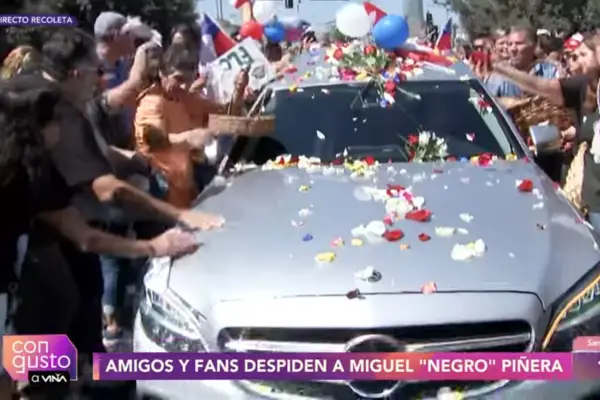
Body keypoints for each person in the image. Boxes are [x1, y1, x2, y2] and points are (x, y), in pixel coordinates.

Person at [27, 28, 222, 362]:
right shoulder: (51, 110)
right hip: (25, 248)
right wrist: (174, 220)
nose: (102, 79)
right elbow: (105, 194)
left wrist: (127, 159)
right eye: (97, 71)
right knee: (51, 312)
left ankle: (78, 375)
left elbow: (83, 222)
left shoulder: (55, 101)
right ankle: (48, 382)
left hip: (54, 227)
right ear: (76, 73)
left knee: (78, 298)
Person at [0, 74, 198, 399]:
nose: (61, 131)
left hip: (15, 285)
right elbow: (86, 237)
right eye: (55, 122)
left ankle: (48, 381)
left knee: (51, 322)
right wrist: (155, 245)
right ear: (33, 127)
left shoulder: (22, 167)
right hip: (5, 287)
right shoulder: (31, 176)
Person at [489, 33, 600, 224]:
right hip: (594, 199)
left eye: (583, 54)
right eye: (574, 55)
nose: (576, 60)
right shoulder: (583, 86)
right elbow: (542, 87)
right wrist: (505, 71)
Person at [134, 44, 249, 207]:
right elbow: (151, 140)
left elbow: (227, 116)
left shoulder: (187, 98)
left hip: (187, 188)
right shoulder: (151, 102)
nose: (184, 86)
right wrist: (189, 138)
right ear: (162, 73)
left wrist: (239, 89)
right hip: (160, 194)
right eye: (178, 79)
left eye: (189, 80)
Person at [484, 24, 560, 99]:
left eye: (519, 43)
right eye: (510, 44)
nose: (512, 49)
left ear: (534, 45)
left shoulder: (551, 72)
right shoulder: (498, 78)